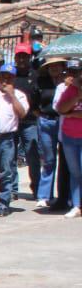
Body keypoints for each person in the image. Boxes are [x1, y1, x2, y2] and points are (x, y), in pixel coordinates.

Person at [0, 64, 30, 217]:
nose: (5, 80)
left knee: (5, 172)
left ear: (14, 79)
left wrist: (11, 96)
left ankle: (3, 203)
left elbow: (22, 114)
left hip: (6, 138)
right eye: (3, 76)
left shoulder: (19, 95)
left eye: (9, 77)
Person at [34, 58, 66, 209]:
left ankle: (64, 195)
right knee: (48, 159)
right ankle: (45, 195)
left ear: (62, 67)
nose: (54, 68)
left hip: (64, 121)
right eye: (50, 66)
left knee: (66, 161)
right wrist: (41, 116)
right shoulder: (42, 82)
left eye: (57, 66)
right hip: (47, 121)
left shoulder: (69, 82)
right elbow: (34, 103)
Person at [52, 59, 82, 218]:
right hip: (69, 135)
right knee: (75, 172)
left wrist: (72, 114)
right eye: (74, 73)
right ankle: (77, 205)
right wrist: (77, 96)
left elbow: (68, 112)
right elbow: (61, 108)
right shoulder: (70, 90)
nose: (76, 76)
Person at [12, 45, 42, 200]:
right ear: (15, 57)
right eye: (19, 56)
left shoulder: (36, 75)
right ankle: (12, 190)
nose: (22, 59)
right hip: (13, 121)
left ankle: (37, 189)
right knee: (10, 157)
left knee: (33, 157)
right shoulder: (10, 75)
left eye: (25, 56)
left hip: (30, 122)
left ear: (30, 57)